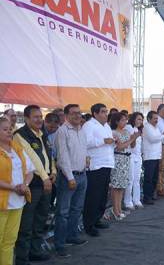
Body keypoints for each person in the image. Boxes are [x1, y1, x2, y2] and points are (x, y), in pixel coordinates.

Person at [14, 105, 56, 264]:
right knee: (26, 224)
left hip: (46, 183)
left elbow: (48, 153)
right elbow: (32, 158)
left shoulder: (42, 133)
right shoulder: (20, 135)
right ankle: (22, 258)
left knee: (40, 221)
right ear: (26, 119)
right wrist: (45, 178)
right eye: (35, 117)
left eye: (40, 116)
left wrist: (53, 172)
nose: (39, 119)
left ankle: (35, 251)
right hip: (32, 185)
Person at [54, 104, 89, 258]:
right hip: (69, 177)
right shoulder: (62, 131)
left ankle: (72, 236)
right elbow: (62, 157)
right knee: (63, 212)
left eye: (79, 113)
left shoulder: (81, 129)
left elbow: (84, 149)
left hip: (82, 174)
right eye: (73, 113)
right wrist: (70, 177)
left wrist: (87, 160)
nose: (77, 115)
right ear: (67, 115)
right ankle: (60, 244)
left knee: (76, 209)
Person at [0, 117, 34, 265]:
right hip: (2, 203)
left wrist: (25, 184)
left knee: (9, 241)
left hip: (18, 202)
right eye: (5, 129)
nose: (9, 132)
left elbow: (30, 170)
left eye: (10, 128)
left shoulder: (16, 148)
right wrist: (14, 187)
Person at [82, 103, 114, 237]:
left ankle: (97, 219)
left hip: (107, 163)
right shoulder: (89, 125)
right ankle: (88, 224)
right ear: (95, 114)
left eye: (106, 112)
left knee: (102, 195)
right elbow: (86, 142)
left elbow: (108, 142)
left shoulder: (106, 126)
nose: (106, 114)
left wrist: (113, 141)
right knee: (93, 196)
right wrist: (103, 141)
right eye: (103, 112)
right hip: (95, 165)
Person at [109, 113, 136, 220]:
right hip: (118, 159)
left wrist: (134, 138)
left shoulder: (126, 131)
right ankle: (115, 209)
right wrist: (131, 139)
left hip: (126, 159)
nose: (125, 122)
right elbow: (119, 147)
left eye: (126, 120)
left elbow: (131, 145)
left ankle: (119, 208)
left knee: (122, 185)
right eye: (123, 120)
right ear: (116, 121)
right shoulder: (113, 132)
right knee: (116, 186)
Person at [142, 111, 164, 205]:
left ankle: (152, 194)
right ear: (149, 119)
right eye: (154, 118)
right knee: (148, 178)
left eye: (157, 118)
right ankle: (147, 197)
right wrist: (163, 135)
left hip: (156, 155)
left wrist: (163, 135)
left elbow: (159, 138)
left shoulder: (156, 128)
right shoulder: (146, 127)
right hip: (149, 156)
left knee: (154, 177)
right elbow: (153, 139)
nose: (156, 120)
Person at [124, 112, 144, 210]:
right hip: (130, 156)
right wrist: (135, 137)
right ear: (133, 119)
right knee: (130, 179)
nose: (140, 121)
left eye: (141, 119)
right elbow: (131, 145)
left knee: (137, 179)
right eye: (139, 119)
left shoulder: (138, 129)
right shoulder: (129, 128)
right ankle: (128, 201)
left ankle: (137, 199)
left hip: (138, 156)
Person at [43, 113, 61, 210]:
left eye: (55, 127)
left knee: (53, 189)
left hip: (53, 165)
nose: (52, 129)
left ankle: (50, 206)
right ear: (45, 122)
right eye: (50, 127)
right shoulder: (40, 132)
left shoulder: (57, 133)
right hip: (42, 166)